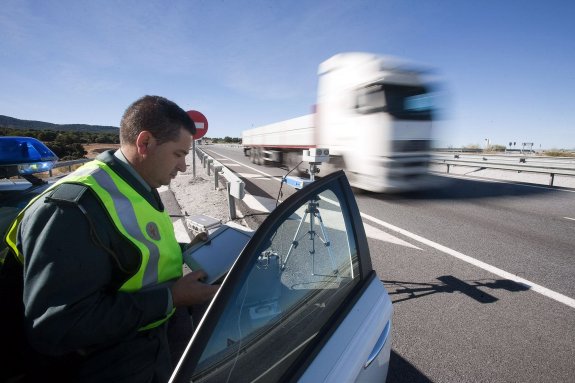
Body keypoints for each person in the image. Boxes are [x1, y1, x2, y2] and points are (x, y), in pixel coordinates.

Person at [1, 95, 219, 382]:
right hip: (104, 366)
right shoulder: (71, 209)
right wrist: (171, 297)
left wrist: (186, 250)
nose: (182, 167)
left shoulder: (138, 183)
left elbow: (129, 251)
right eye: (178, 154)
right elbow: (58, 326)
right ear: (145, 143)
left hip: (145, 346)